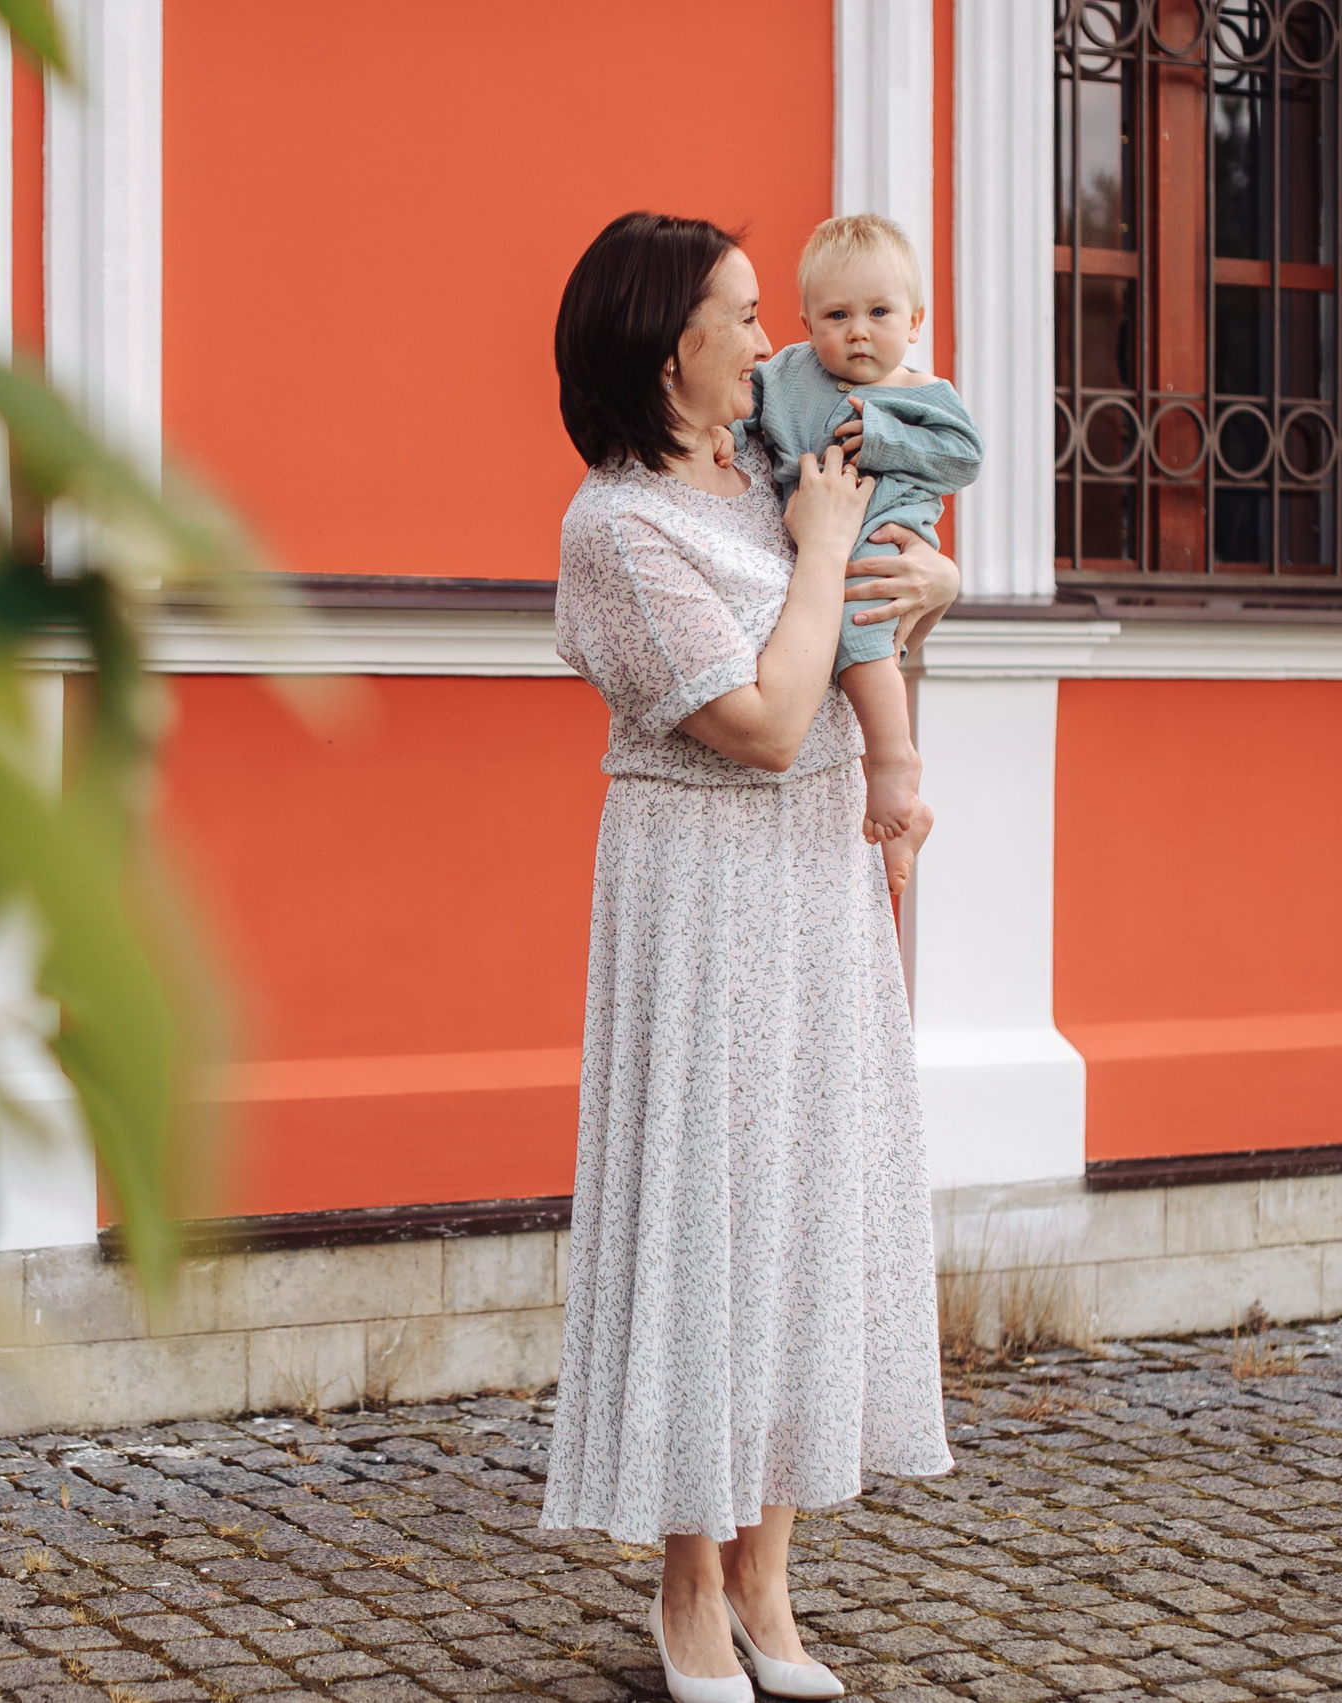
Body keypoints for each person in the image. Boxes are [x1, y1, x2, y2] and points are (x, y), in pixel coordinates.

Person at [540, 211, 958, 1703]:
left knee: (802, 1213)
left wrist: (929, 589)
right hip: (701, 890)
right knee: (708, 1216)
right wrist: (835, 555)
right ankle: (688, 1583)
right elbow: (770, 724)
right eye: (742, 313)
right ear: (671, 349)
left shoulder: (780, 471)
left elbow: (868, 637)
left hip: (817, 883)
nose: (771, 337)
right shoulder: (618, 527)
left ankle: (772, 1571)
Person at [741, 212, 979, 851]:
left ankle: (895, 761)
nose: (859, 333)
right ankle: (906, 817)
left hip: (885, 524)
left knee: (859, 622)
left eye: (880, 313)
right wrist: (721, 437)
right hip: (813, 535)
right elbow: (746, 416)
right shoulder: (787, 374)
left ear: (915, 320)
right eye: (837, 316)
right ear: (806, 323)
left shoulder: (924, 393)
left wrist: (884, 437)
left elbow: (964, 457)